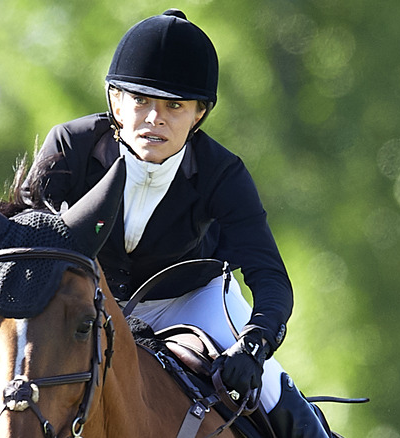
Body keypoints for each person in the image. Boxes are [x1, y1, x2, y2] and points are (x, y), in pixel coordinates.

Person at [20, 9, 332, 437]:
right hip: (91, 303)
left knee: (281, 403)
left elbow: (270, 277)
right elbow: (27, 245)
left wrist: (253, 348)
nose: (155, 118)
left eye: (175, 106)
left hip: (191, 303)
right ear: (115, 101)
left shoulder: (222, 172)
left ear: (199, 114)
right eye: (141, 100)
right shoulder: (70, 148)